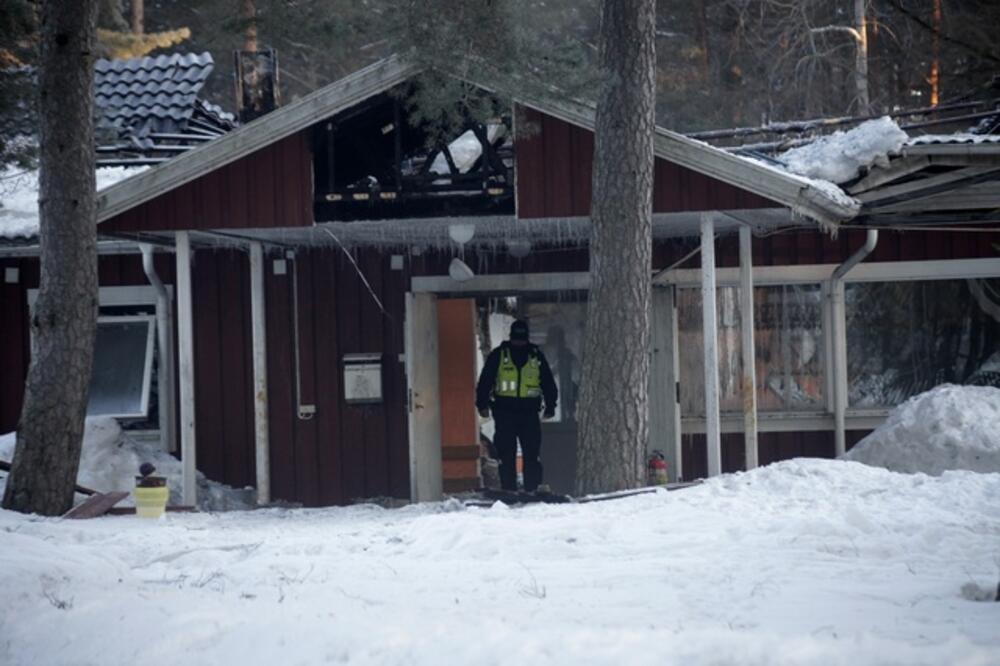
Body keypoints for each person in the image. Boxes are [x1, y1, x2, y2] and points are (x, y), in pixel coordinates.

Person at [476, 319, 558, 492]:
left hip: (529, 414)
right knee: (506, 454)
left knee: (531, 454)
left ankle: (532, 488)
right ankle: (509, 489)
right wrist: (482, 404)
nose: (519, 343)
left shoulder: (536, 356)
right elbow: (485, 381)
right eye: (516, 339)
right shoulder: (499, 355)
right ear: (511, 337)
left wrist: (551, 405)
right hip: (504, 413)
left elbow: (548, 383)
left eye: (521, 339)